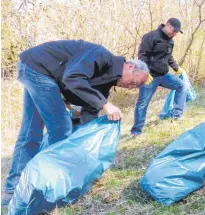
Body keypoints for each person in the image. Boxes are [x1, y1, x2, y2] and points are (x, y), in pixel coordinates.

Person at [1, 39, 149, 206]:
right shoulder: (100, 56)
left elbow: (89, 111)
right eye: (134, 82)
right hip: (38, 69)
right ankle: (51, 187)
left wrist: (90, 140)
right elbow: (72, 78)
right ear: (130, 66)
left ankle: (11, 192)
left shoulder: (106, 83)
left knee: (31, 132)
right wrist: (105, 105)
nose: (130, 87)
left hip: (34, 69)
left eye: (134, 88)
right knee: (61, 128)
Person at [131, 18, 187, 137]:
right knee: (142, 103)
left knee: (182, 86)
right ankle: (136, 132)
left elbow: (169, 56)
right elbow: (142, 55)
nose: (174, 34)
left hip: (164, 75)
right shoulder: (151, 36)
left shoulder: (171, 41)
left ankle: (176, 116)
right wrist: (145, 72)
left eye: (177, 32)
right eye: (173, 30)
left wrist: (176, 68)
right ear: (167, 25)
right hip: (150, 76)